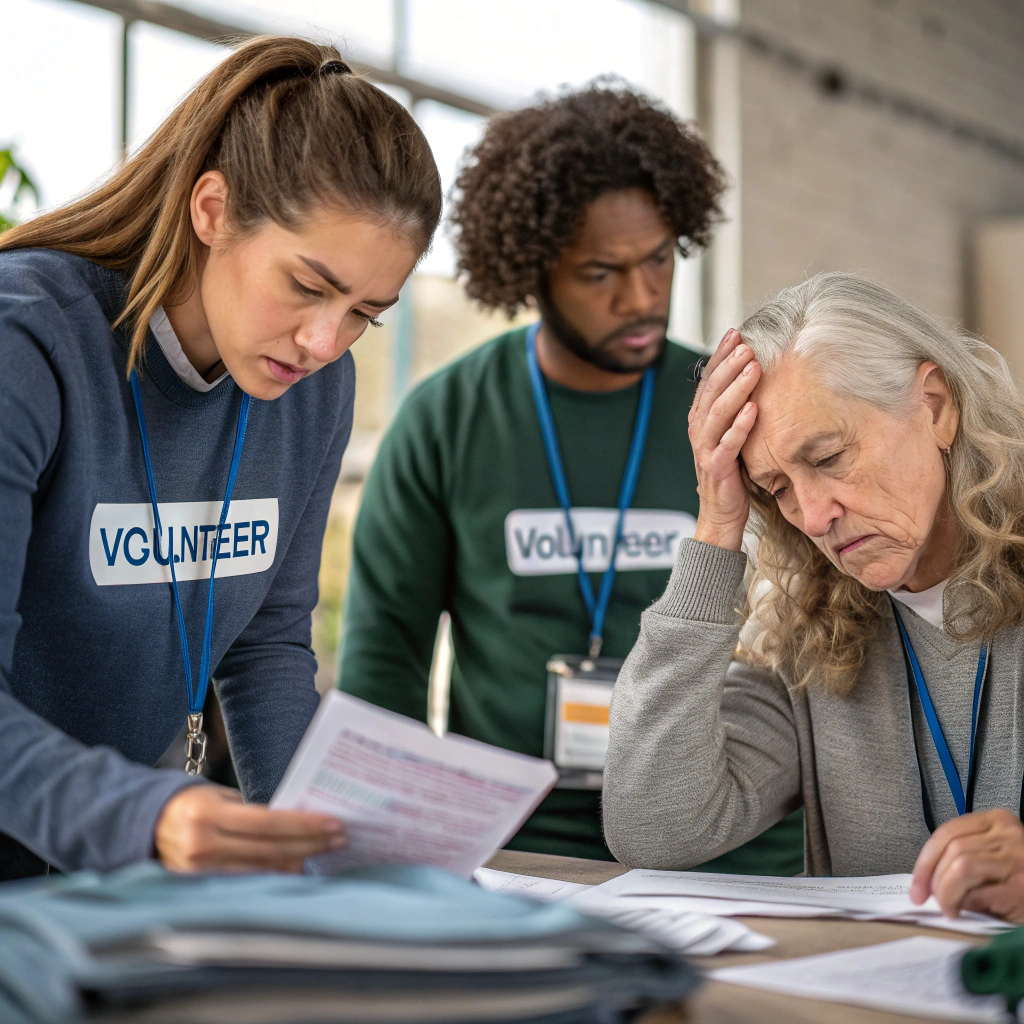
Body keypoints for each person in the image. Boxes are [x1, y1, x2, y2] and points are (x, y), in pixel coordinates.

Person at [0, 37, 442, 881]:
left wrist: (331, 852)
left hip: (98, 883)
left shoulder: (310, 388)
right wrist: (144, 814)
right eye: (308, 286)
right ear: (212, 209)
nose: (325, 342)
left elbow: (267, 644)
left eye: (365, 313)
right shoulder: (25, 342)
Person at [339, 83, 804, 871]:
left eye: (658, 259)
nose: (642, 297)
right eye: (599, 273)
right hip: (520, 851)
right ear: (533, 271)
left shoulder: (739, 407)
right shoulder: (447, 419)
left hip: (729, 852)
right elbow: (384, 669)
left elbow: (823, 634)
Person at [603, 271, 1024, 921]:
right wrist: (716, 526)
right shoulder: (809, 631)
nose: (814, 515)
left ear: (935, 406)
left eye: (828, 458)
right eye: (777, 488)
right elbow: (654, 829)